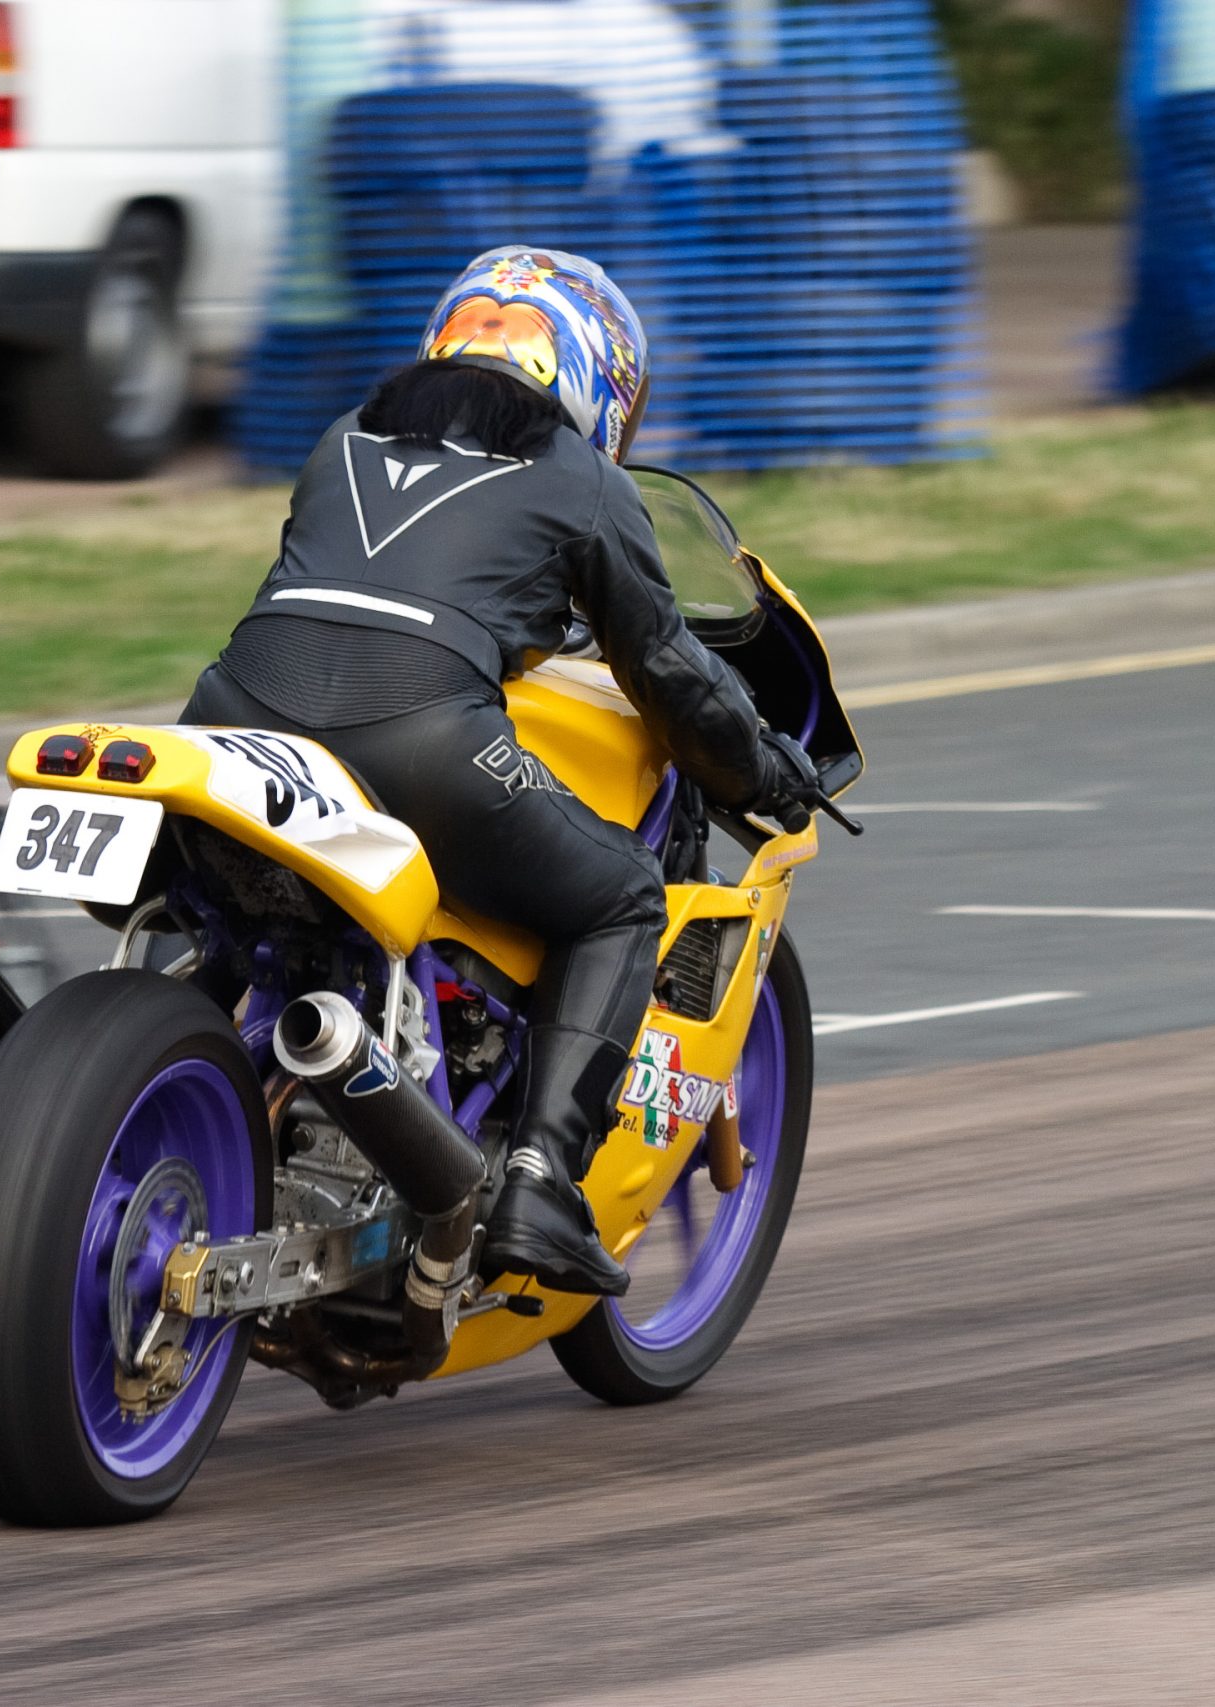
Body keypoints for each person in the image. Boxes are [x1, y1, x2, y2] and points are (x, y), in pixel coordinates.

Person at [182, 247, 816, 1297]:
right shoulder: (583, 479)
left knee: (220, 903)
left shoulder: (342, 438)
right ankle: (539, 1182)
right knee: (619, 898)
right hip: (422, 741)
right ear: (590, 378)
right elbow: (663, 669)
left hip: (229, 723)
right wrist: (758, 771)